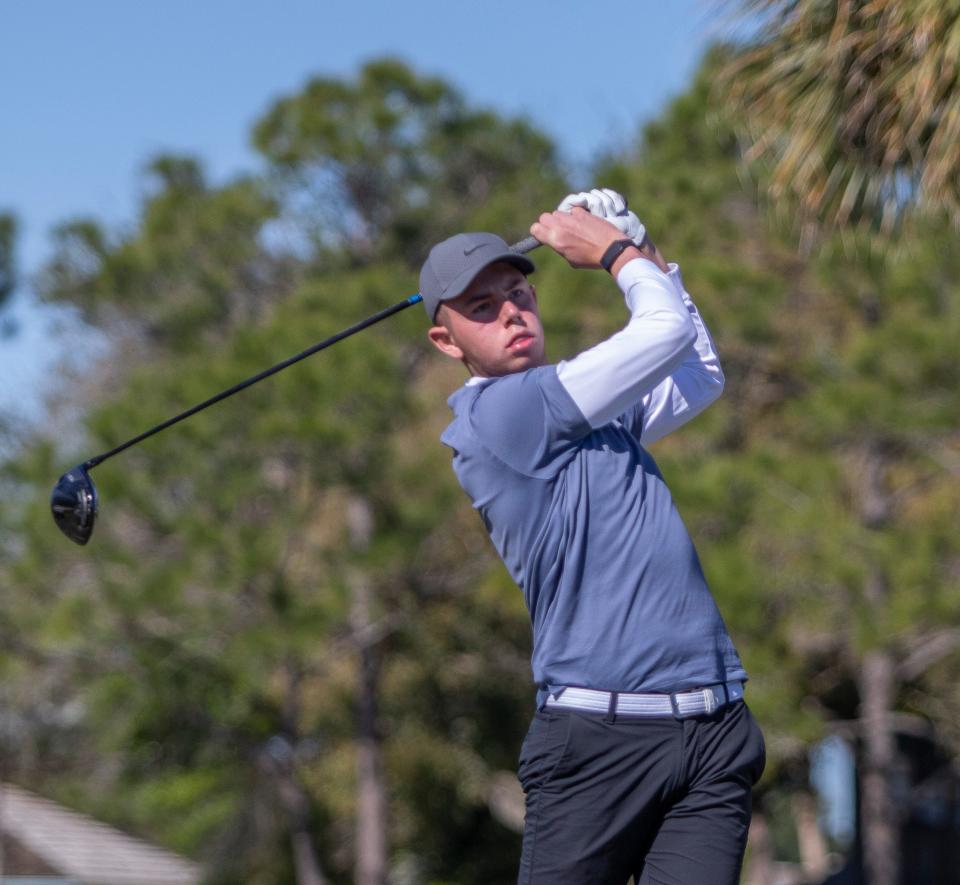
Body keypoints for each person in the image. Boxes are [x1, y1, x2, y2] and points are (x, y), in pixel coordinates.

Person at [420, 189, 765, 885]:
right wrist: (617, 252)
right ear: (446, 341)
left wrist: (646, 250)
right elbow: (661, 336)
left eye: (518, 293)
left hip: (713, 726)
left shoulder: (588, 414)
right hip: (599, 745)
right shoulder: (505, 414)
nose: (511, 312)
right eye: (482, 309)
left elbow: (697, 371)